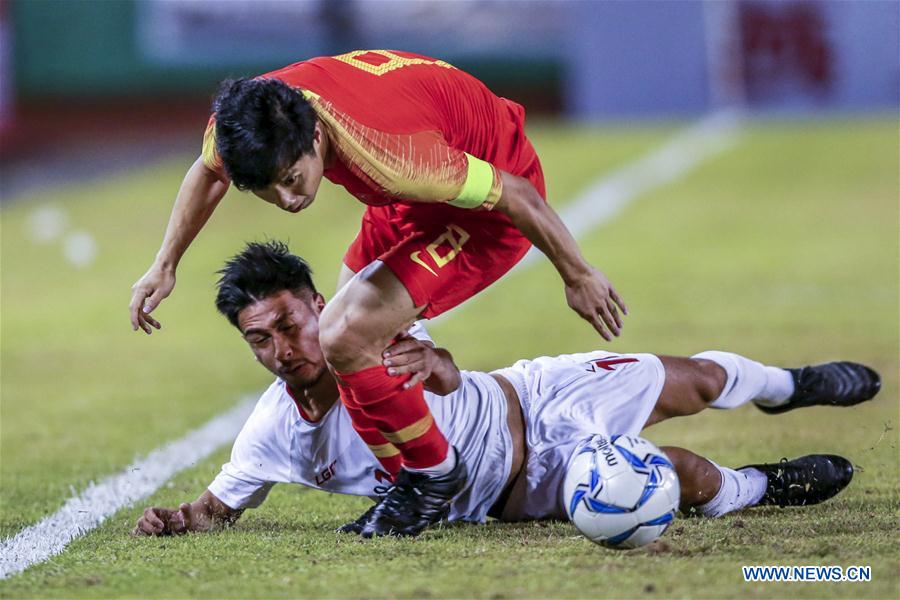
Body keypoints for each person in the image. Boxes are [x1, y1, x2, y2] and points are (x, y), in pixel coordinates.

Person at [129, 50, 630, 536]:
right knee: (344, 346)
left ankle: (434, 473)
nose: (286, 200)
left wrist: (577, 274)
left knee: (346, 333)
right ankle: (404, 482)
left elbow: (518, 193)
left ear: (316, 135)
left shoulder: (396, 157)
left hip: (487, 212)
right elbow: (207, 172)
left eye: (291, 179)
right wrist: (164, 264)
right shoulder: (243, 125)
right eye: (266, 190)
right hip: (407, 200)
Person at [133, 242, 881, 538]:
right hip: (523, 487)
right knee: (681, 477)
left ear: (318, 308)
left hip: (533, 395)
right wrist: (178, 518)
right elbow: (217, 507)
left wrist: (437, 363)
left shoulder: (370, 330)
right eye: (259, 339)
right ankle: (763, 486)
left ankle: (788, 385)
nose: (281, 350)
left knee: (699, 381)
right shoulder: (274, 432)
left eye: (288, 325)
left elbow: (449, 373)